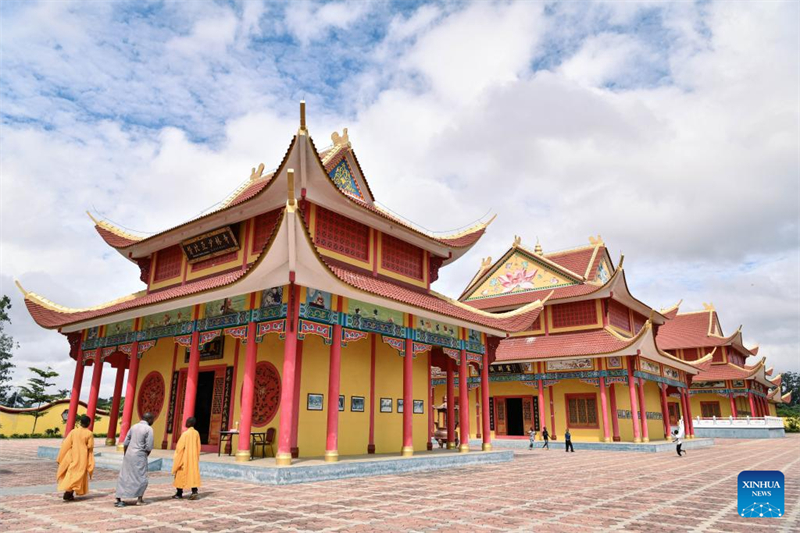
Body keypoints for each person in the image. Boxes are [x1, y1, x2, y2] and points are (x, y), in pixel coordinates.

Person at [115, 412, 155, 507]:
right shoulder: (148, 429)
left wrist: (126, 453)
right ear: (149, 419)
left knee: (125, 475)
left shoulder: (134, 426)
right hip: (140, 454)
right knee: (140, 476)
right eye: (152, 419)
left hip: (129, 453)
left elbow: (126, 442)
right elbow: (149, 446)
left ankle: (119, 497)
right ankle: (139, 499)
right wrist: (145, 455)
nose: (153, 421)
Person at [56, 414, 95, 501]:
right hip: (82, 457)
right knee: (79, 474)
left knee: (71, 472)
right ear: (89, 423)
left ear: (80, 422)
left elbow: (66, 444)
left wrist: (60, 457)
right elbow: (90, 446)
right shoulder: (89, 433)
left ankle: (69, 492)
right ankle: (69, 491)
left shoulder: (73, 432)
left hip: (73, 455)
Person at [172, 416, 202, 500]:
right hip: (193, 458)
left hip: (184, 458)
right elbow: (198, 446)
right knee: (193, 474)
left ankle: (179, 493)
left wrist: (177, 457)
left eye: (187, 421)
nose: (185, 423)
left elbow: (179, 447)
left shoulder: (185, 434)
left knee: (180, 475)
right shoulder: (196, 433)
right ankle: (194, 492)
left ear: (189, 424)